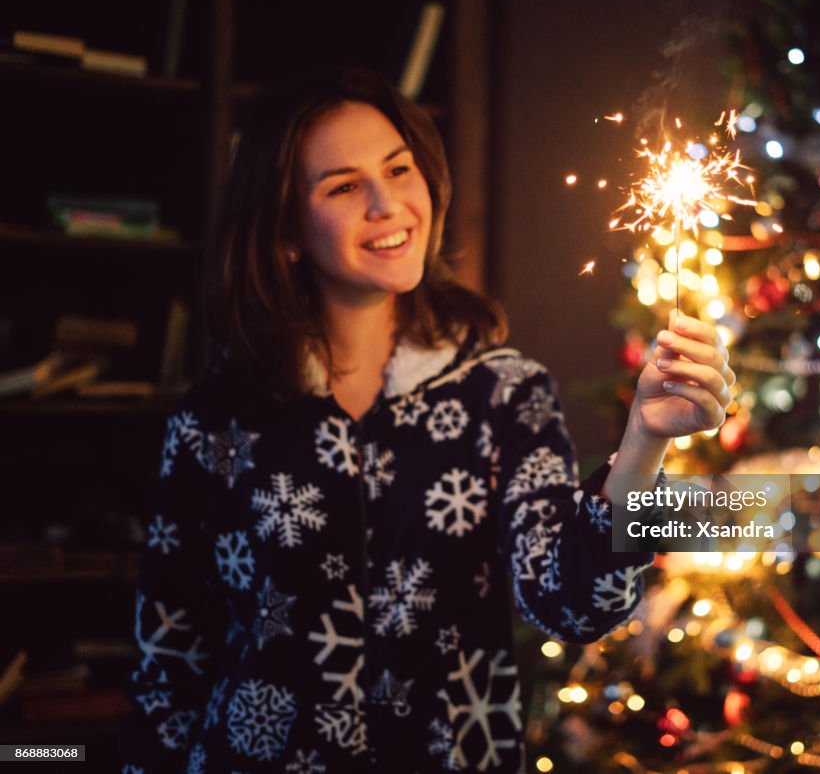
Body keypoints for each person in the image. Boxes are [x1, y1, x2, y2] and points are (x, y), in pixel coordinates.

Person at [120, 67, 735, 773]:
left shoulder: (505, 395)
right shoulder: (215, 420)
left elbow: (573, 605)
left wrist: (642, 444)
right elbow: (168, 663)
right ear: (286, 228)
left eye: (399, 168)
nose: (389, 204)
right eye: (345, 186)